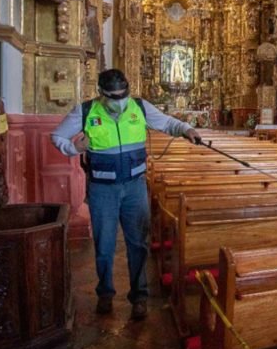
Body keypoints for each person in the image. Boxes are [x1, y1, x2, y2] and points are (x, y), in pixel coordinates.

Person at [51, 69, 202, 320]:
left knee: (138, 243)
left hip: (134, 186)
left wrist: (187, 130)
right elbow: (56, 136)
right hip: (102, 189)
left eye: (123, 95)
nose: (119, 101)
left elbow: (167, 122)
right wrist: (72, 147)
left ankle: (139, 296)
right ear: (102, 93)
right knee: (104, 245)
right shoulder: (87, 111)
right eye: (113, 96)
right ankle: (105, 293)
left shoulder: (139, 107)